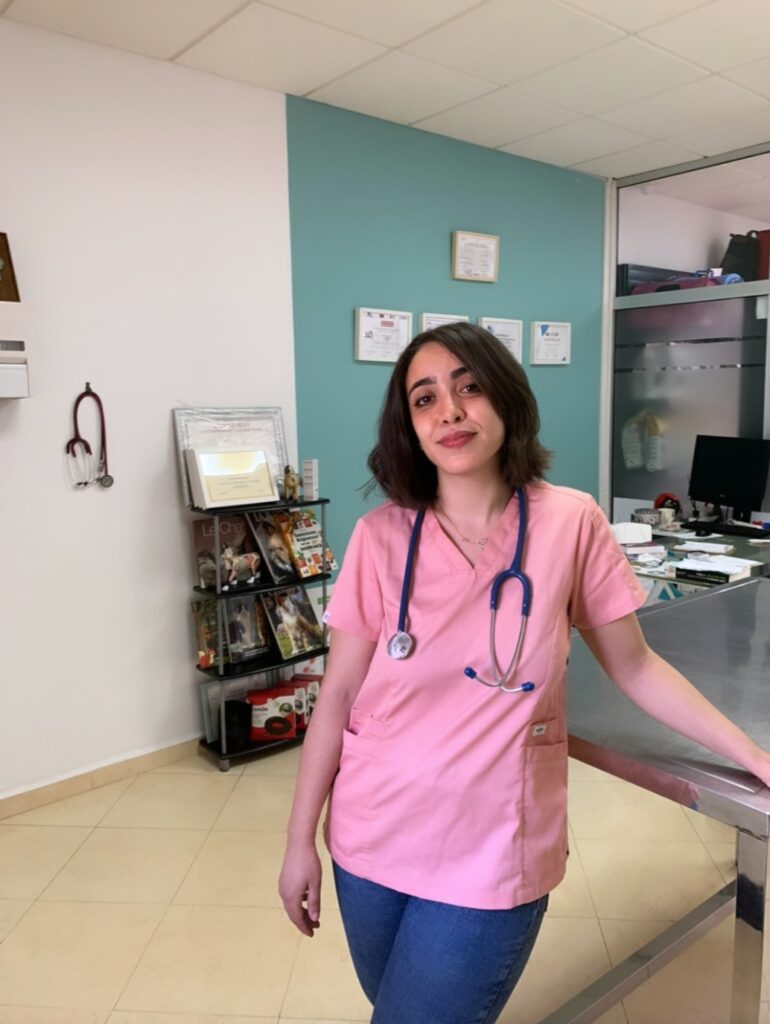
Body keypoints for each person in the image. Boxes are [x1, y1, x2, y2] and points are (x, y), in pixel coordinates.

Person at [279, 322, 770, 1023]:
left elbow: (636, 668)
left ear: (506, 400)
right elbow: (339, 698)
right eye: (424, 399)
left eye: (469, 388)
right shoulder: (381, 538)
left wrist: (754, 755)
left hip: (491, 849)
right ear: (408, 427)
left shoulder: (570, 523)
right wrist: (299, 841)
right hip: (371, 839)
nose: (448, 411)